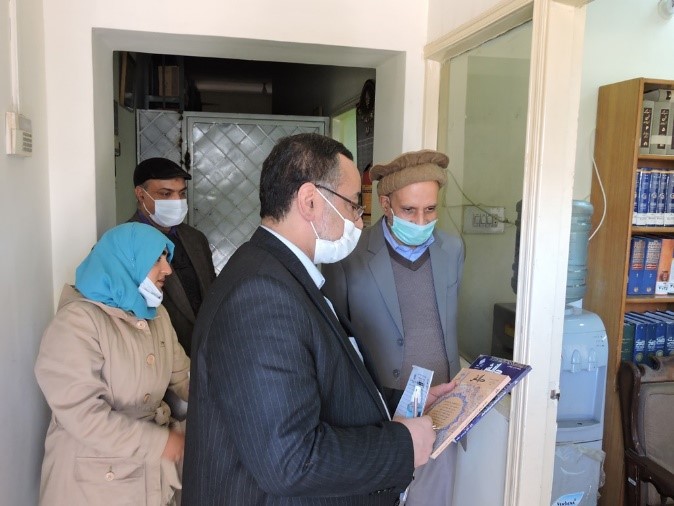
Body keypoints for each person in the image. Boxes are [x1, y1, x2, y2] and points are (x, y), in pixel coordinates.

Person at [182, 133, 453, 505]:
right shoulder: (260, 293)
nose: (359, 220)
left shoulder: (281, 273)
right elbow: (291, 460)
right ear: (310, 201)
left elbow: (322, 385)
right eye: (354, 205)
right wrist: (403, 446)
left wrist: (407, 402)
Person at [322, 149, 465, 506]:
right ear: (386, 204)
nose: (421, 221)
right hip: (379, 411)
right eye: (409, 210)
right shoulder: (349, 254)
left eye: (430, 210)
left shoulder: (452, 249)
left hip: (442, 405)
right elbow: (336, 339)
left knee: (435, 498)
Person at [34, 222, 190, 506]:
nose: (167, 269)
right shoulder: (77, 323)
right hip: (91, 484)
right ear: (126, 262)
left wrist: (229, 403)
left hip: (146, 478)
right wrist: (160, 443)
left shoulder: (157, 317)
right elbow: (82, 415)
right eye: (156, 259)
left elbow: (184, 376)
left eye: (166, 258)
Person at [130, 157, 216, 356]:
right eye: (165, 194)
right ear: (141, 195)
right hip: (157, 356)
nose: (176, 201)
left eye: (182, 193)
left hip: (204, 352)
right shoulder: (125, 242)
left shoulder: (195, 239)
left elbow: (209, 290)